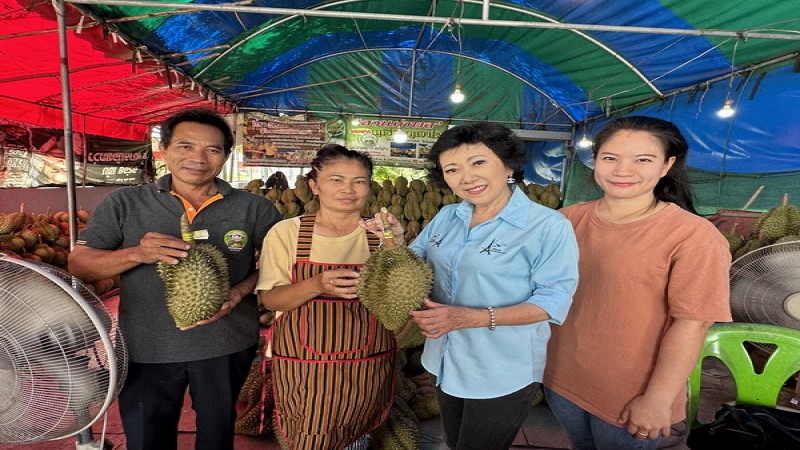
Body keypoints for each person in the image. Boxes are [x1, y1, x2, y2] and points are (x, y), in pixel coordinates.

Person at [67, 108, 282, 450]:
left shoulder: (254, 209)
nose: (198, 158)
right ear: (163, 150)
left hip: (226, 344)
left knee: (216, 435)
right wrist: (137, 253)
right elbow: (79, 264)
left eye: (212, 149)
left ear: (226, 155)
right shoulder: (123, 202)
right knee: (147, 438)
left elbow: (276, 267)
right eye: (185, 146)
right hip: (145, 346)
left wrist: (239, 292)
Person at [543, 116, 732, 450]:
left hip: (631, 394)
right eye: (610, 158)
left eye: (642, 160)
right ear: (595, 160)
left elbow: (691, 325)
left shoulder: (694, 236)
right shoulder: (566, 220)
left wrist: (658, 399)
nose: (622, 171)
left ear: (666, 165)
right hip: (561, 381)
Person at [406, 122, 579, 450]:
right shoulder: (447, 216)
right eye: (452, 169)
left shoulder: (547, 226)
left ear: (508, 165)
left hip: (500, 369)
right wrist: (389, 240)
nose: (466, 177)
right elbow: (414, 260)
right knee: (455, 441)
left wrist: (468, 318)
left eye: (479, 163)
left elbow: (553, 300)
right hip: (442, 359)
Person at [256, 144, 399, 450]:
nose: (348, 189)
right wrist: (317, 284)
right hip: (305, 365)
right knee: (309, 435)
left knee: (357, 435)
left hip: (367, 363)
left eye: (359, 181)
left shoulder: (381, 234)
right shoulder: (286, 233)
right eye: (336, 179)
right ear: (314, 185)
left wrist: (395, 247)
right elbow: (271, 300)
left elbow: (399, 300)